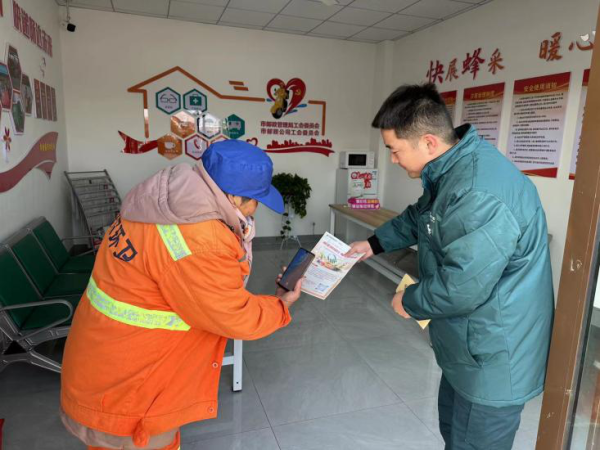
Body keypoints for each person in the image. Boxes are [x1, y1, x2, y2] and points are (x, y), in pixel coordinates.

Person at [346, 83, 554, 450]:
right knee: (455, 434)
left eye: (394, 150)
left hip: (493, 353)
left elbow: (461, 286)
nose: (392, 160)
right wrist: (373, 244)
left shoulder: (477, 192)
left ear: (428, 142)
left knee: (473, 442)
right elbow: (421, 216)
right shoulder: (452, 169)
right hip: (469, 346)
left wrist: (410, 300)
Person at [60, 140, 302, 450]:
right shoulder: (202, 240)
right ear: (231, 197)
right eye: (254, 201)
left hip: (105, 356)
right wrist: (281, 305)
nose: (255, 210)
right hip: (133, 386)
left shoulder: (159, 201)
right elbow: (233, 315)